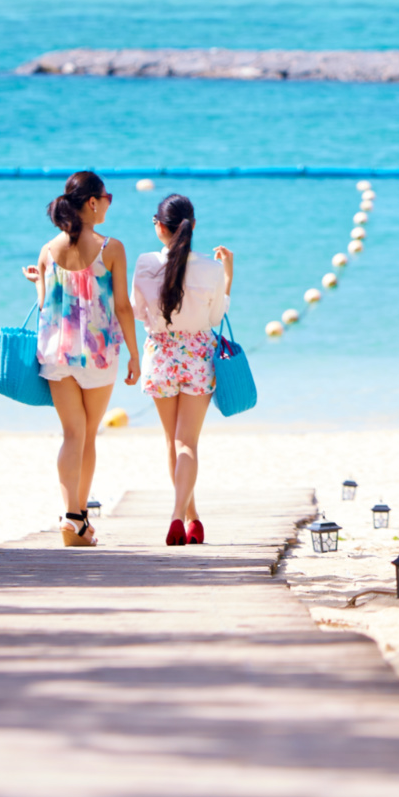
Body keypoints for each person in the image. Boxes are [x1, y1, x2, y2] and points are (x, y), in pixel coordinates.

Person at [22, 171, 138, 547]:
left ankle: (74, 516)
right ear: (92, 201)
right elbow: (122, 306)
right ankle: (76, 518)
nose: (108, 203)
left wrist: (36, 281)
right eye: (107, 197)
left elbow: (44, 305)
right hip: (99, 354)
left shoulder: (47, 250)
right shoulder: (112, 249)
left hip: (57, 352)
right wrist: (136, 354)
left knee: (72, 434)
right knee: (88, 435)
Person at [131, 194, 233, 546]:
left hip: (160, 354)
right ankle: (184, 517)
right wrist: (229, 276)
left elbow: (139, 313)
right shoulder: (211, 268)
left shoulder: (145, 263)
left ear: (160, 226)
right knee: (187, 442)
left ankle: (188, 517)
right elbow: (216, 317)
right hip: (198, 356)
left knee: (172, 442)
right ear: (192, 226)